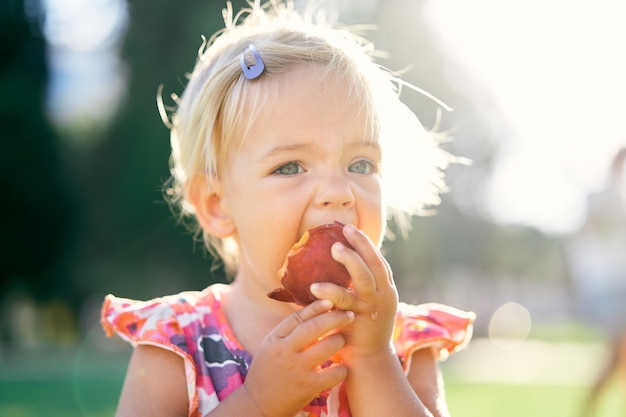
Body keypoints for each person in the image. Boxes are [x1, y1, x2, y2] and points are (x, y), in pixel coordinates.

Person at [101, 1, 475, 416]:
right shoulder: (177, 345)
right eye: (290, 166)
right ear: (217, 204)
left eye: (361, 164)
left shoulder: (402, 342)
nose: (338, 192)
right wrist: (257, 402)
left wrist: (372, 359)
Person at [565, 147, 626, 417]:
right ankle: (587, 411)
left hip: (619, 283)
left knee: (619, 356)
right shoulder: (601, 199)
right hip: (608, 286)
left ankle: (588, 411)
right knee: (619, 350)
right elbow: (585, 238)